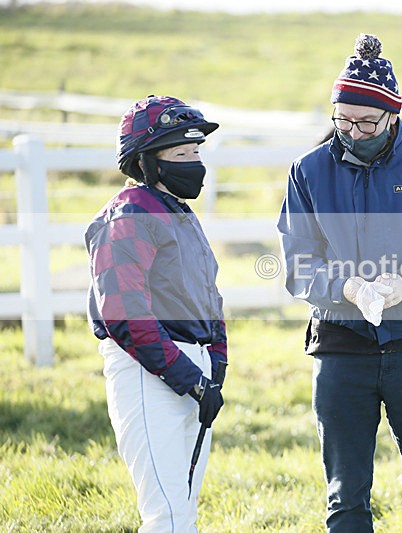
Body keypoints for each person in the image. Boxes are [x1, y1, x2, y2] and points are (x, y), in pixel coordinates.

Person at [277, 34, 402, 532]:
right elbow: (298, 265)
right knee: (346, 498)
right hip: (341, 351)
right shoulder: (307, 171)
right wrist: (345, 288)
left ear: (393, 115)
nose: (352, 131)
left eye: (366, 122)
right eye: (341, 119)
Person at [85, 95, 227, 532]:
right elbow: (126, 315)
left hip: (193, 372)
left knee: (182, 509)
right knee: (166, 514)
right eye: (181, 154)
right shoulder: (130, 214)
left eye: (197, 152)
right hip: (151, 375)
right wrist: (189, 379)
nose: (194, 162)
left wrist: (216, 362)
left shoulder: (180, 214)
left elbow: (207, 294)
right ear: (148, 161)